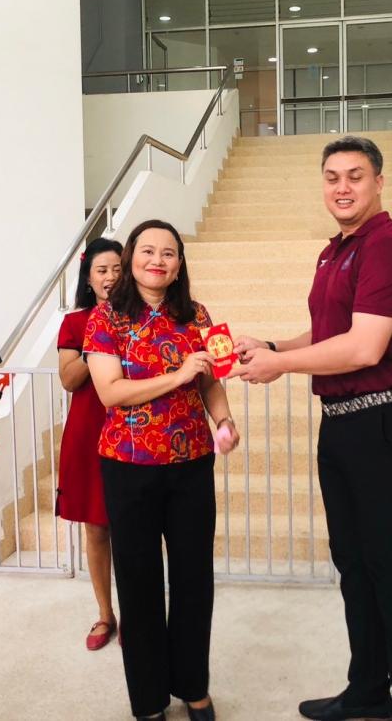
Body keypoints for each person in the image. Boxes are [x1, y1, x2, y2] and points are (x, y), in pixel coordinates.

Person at [232, 136, 392, 721]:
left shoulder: (388, 246)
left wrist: (281, 366)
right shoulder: (336, 251)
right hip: (344, 423)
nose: (342, 187)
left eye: (355, 176)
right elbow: (328, 334)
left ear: (379, 182)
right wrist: (273, 345)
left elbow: (365, 347)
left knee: (388, 564)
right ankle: (368, 688)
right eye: (332, 177)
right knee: (353, 561)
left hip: (386, 419)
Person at [85, 219, 240, 721]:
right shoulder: (106, 318)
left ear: (179, 265)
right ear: (131, 258)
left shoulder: (196, 314)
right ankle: (148, 699)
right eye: (148, 251)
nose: (158, 260)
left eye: (168, 253)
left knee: (195, 577)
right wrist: (178, 375)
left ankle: (194, 686)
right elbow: (110, 392)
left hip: (191, 462)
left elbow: (210, 381)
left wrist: (224, 420)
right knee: (139, 582)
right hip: (128, 465)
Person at [55, 237, 122, 651]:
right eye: (102, 270)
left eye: (117, 269)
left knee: (134, 528)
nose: (110, 277)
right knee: (96, 527)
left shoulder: (142, 319)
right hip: (88, 431)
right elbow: (69, 379)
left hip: (134, 429)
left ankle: (137, 613)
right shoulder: (75, 323)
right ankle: (105, 614)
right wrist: (98, 337)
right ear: (89, 278)